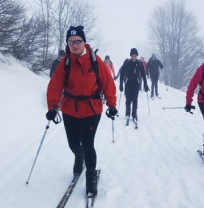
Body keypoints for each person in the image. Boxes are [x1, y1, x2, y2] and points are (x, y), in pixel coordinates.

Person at [46, 25, 117, 196]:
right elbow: (54, 86)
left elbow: (108, 83)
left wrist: (112, 105)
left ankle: (90, 176)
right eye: (71, 41)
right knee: (73, 143)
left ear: (84, 42)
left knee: (87, 143)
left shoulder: (95, 61)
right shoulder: (65, 63)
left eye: (78, 41)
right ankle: (79, 156)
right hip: (70, 108)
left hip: (92, 108)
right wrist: (53, 106)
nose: (74, 44)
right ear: (68, 44)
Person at [119, 48, 149, 125]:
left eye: (135, 56)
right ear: (131, 56)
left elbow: (143, 74)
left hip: (136, 84)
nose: (134, 57)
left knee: (135, 100)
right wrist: (121, 84)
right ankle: (127, 114)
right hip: (128, 84)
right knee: (128, 100)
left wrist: (145, 84)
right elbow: (122, 73)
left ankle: (134, 114)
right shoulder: (127, 62)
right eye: (133, 56)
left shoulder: (139, 63)